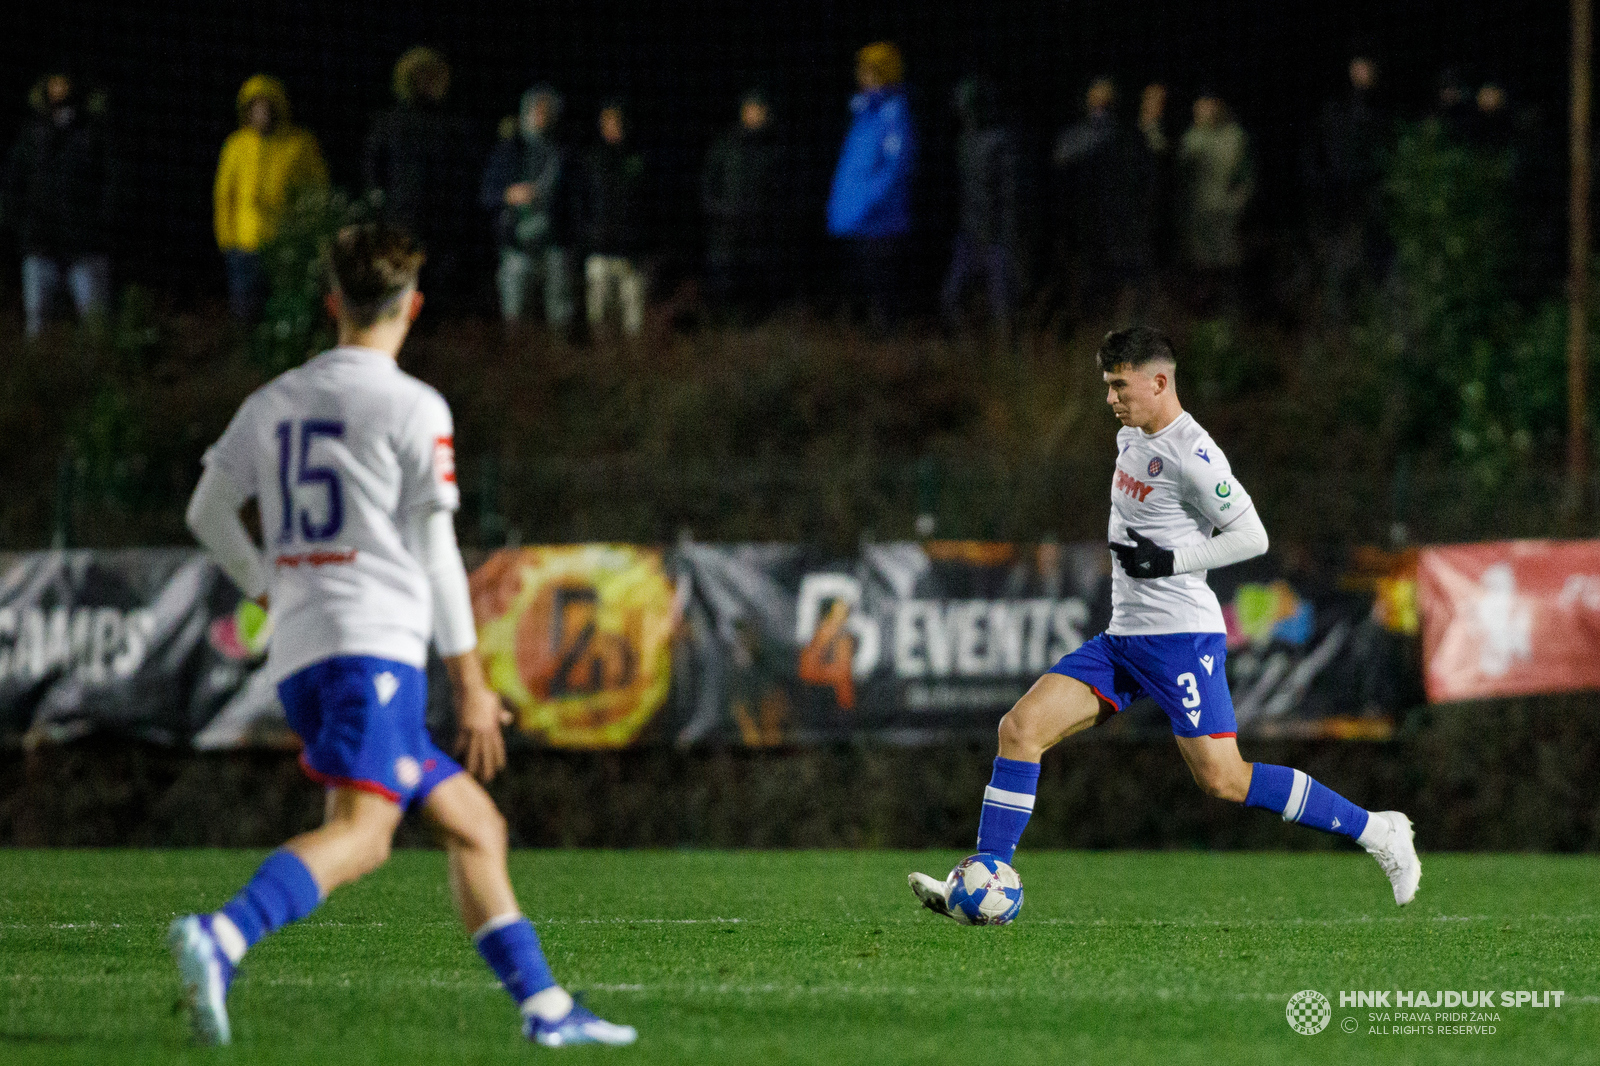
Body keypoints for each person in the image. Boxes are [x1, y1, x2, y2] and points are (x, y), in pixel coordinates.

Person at [168, 222, 636, 1049]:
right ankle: (224, 936)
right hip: (372, 650)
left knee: (475, 824)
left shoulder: (272, 400)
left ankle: (547, 1010)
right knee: (365, 834)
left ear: (332, 303)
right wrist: (474, 682)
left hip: (304, 654)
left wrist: (269, 584)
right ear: (412, 306)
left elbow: (206, 511)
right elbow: (436, 556)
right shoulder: (412, 405)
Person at [909, 327, 1421, 917]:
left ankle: (1379, 832)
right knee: (1020, 730)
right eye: (1106, 386)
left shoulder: (1195, 455)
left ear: (1160, 381)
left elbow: (1253, 536)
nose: (1110, 399)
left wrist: (1171, 560)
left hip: (1180, 640)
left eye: (1119, 385)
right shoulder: (1131, 435)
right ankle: (983, 878)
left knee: (1225, 780)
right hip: (1122, 639)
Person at [4, 70, 118, 339]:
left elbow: (112, 182)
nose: (59, 89)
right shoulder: (32, 134)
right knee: (38, 322)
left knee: (94, 322)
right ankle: (44, 377)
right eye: (54, 83)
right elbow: (13, 182)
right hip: (40, 242)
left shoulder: (91, 131)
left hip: (84, 243)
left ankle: (98, 375)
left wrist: (100, 222)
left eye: (64, 82)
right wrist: (19, 222)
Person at [364, 47, 478, 309]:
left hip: (443, 228)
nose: (431, 82)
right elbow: (374, 172)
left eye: (435, 76)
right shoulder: (390, 122)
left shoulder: (452, 124)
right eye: (423, 76)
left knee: (439, 299)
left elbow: (463, 175)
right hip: (402, 225)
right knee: (401, 294)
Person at [214, 75, 328, 321]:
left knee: (285, 311)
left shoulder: (300, 144)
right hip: (245, 244)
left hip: (286, 245)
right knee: (246, 310)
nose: (261, 112)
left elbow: (317, 191)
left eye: (267, 106)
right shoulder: (236, 146)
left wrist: (309, 235)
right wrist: (226, 238)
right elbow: (224, 196)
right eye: (255, 106)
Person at [827, 41, 916, 332]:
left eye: (871, 72)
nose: (863, 77)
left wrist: (866, 204)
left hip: (880, 223)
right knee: (856, 297)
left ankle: (891, 360)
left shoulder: (894, 115)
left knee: (883, 297)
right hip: (853, 221)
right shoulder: (862, 112)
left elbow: (895, 169)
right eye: (862, 71)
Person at [1052, 79, 1155, 321]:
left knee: (1123, 290)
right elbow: (1061, 181)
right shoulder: (1074, 138)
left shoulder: (1130, 138)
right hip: (1084, 229)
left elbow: (1145, 183)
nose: (1101, 108)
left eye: (1105, 102)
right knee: (1087, 291)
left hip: (1120, 228)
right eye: (1097, 102)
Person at [481, 85, 575, 329]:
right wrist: (509, 194)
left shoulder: (564, 154)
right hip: (516, 246)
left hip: (554, 246)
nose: (541, 116)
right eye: (537, 110)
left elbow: (576, 200)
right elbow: (486, 194)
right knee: (515, 316)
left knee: (559, 315)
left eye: (547, 111)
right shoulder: (508, 150)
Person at [1303, 56, 1387, 326]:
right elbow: (1317, 151)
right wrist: (1320, 185)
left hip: (1367, 201)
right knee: (1337, 262)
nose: (1363, 73)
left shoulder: (1380, 111)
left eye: (1368, 67)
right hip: (1336, 201)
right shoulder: (1334, 109)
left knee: (1364, 262)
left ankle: (1363, 321)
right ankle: (1337, 321)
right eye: (1359, 66)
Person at [701, 88, 790, 321]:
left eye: (759, 109)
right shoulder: (725, 145)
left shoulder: (775, 149)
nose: (754, 114)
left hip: (759, 233)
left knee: (756, 290)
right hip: (726, 230)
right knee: (723, 282)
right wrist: (718, 210)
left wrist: (768, 217)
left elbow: (782, 192)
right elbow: (708, 183)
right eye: (749, 109)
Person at [939, 76, 1018, 329]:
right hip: (969, 233)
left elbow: (1009, 194)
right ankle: (970, 353)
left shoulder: (999, 141)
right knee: (951, 297)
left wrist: (1007, 234)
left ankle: (1007, 359)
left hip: (995, 236)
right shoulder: (964, 142)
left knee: (1002, 305)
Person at [578, 100, 650, 337]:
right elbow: (580, 202)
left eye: (617, 121)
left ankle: (632, 365)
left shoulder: (638, 159)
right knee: (599, 319)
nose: (613, 126)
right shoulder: (591, 159)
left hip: (631, 252)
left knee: (633, 322)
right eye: (608, 122)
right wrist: (588, 235)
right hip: (599, 249)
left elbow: (648, 205)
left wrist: (644, 241)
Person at [1176, 92, 1252, 312]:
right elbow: (1182, 179)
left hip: (1226, 214)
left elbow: (1246, 177)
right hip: (1199, 214)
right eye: (1199, 108)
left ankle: (1228, 316)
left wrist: (1238, 203)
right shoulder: (1191, 139)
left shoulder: (1235, 137)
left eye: (1208, 107)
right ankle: (1203, 316)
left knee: (1227, 265)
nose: (1203, 112)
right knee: (1200, 266)